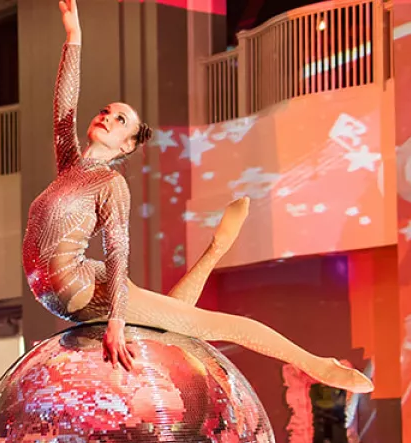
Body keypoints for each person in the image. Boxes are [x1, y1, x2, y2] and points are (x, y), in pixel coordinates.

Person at [23, 0, 373, 393]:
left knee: (213, 325)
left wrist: (117, 321)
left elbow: (117, 248)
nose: (107, 117)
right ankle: (217, 248)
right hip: (72, 283)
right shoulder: (70, 166)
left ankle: (317, 365)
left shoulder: (110, 184)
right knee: (173, 324)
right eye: (106, 111)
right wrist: (74, 37)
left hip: (85, 288)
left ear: (126, 145)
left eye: (120, 119)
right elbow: (63, 109)